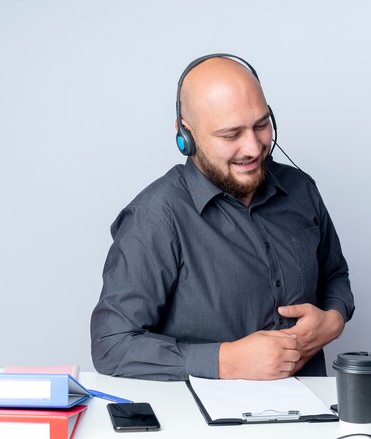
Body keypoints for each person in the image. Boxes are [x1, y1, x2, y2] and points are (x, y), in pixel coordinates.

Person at [90, 54, 354, 381]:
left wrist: (334, 319)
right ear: (185, 135)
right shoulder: (154, 218)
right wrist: (225, 361)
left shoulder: (301, 189)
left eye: (261, 125)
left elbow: (335, 275)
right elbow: (111, 345)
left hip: (314, 416)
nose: (254, 148)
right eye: (231, 135)